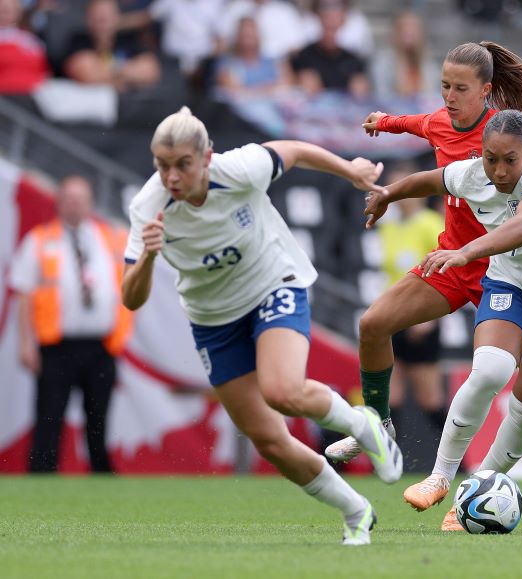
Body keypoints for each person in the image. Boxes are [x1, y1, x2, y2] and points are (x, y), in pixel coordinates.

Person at [326, 42, 522, 527]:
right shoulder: (475, 163)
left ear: (486, 92)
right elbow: (433, 175)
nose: (497, 171)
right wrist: (387, 189)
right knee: (470, 360)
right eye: (444, 86)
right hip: (494, 273)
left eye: (460, 88)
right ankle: (415, 455)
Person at [121, 107, 402, 546]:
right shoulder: (148, 208)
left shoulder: (238, 169)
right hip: (213, 320)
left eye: (182, 164)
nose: (171, 176)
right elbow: (130, 297)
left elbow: (293, 150)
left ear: (207, 157)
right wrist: (150, 257)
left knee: (283, 391)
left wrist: (349, 169)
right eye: (162, 165)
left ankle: (364, 426)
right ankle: (355, 511)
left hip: (274, 284)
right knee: (268, 441)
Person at [10, 175, 133, 473]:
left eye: (81, 199)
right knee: (49, 417)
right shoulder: (40, 240)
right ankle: (41, 476)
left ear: (91, 203)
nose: (75, 205)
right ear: (59, 202)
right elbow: (23, 294)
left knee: (99, 418)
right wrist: (26, 344)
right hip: (57, 346)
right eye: (70, 199)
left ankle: (100, 477)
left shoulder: (111, 237)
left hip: (101, 345)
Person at [376, 162, 448, 440]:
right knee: (389, 399)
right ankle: (388, 462)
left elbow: (447, 268)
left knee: (430, 399)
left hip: (421, 319)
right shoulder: (390, 228)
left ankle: (462, 463)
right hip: (395, 319)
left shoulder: (430, 224)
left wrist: (431, 318)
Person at [63, 0, 160, 92]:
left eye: (107, 17)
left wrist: (109, 75)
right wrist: (128, 74)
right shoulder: (78, 40)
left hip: (126, 105)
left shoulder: (128, 39)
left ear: (117, 17)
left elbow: (150, 70)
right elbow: (86, 74)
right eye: (98, 17)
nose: (103, 22)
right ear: (88, 19)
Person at [291, 0, 369, 98]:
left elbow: (361, 94)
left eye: (337, 7)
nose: (331, 14)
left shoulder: (354, 60)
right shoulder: (303, 57)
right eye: (325, 7)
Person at [0, 0, 50, 94]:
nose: (5, 11)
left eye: (10, 8)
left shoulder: (30, 40)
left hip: (32, 93)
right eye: (2, 8)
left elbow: (43, 70)